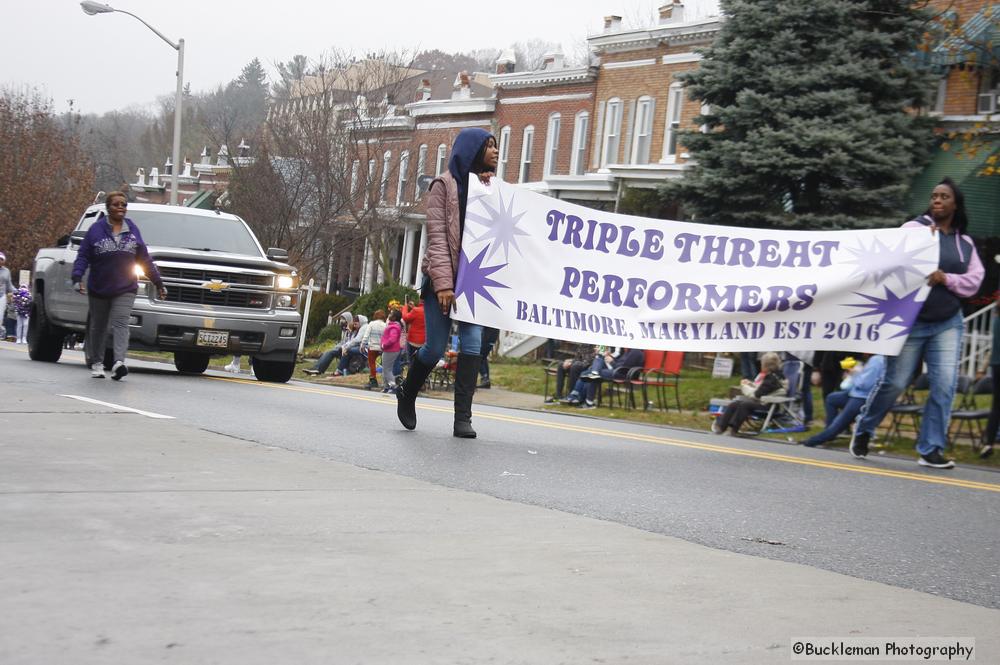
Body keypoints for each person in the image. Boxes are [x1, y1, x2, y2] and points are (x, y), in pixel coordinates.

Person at [849, 178, 984, 469]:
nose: (937, 200)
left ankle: (931, 449)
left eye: (944, 196)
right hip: (910, 322)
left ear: (955, 204)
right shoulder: (913, 230)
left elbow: (974, 281)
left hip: (948, 321)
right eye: (934, 195)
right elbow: (890, 262)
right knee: (895, 382)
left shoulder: (965, 243)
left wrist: (946, 278)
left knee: (944, 386)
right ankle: (864, 428)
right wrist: (919, 244)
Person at [396, 128, 498, 438]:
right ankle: (407, 392)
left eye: (496, 146)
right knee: (435, 348)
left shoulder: (491, 189)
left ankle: (462, 419)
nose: (495, 151)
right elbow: (437, 237)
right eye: (489, 146)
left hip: (474, 282)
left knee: (471, 345)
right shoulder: (443, 186)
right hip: (442, 278)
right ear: (472, 149)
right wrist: (442, 284)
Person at [72, 191, 167, 380]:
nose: (121, 208)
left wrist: (158, 283)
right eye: (116, 204)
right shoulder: (96, 230)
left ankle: (118, 363)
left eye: (124, 205)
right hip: (99, 287)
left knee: (121, 323)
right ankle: (97, 363)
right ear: (108, 208)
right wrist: (77, 277)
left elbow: (144, 259)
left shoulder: (132, 230)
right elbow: (83, 256)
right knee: (99, 327)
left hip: (125, 287)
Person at [802, 355, 884, 448]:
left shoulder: (876, 360)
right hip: (856, 393)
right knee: (832, 398)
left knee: (838, 424)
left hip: (862, 397)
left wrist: (854, 374)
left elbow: (864, 384)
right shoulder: (875, 359)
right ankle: (829, 429)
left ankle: (815, 440)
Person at [712, 351, 784, 435]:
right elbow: (762, 390)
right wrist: (751, 384)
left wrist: (744, 386)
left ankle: (733, 428)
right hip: (764, 402)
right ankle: (721, 426)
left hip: (769, 406)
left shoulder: (772, 379)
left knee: (744, 405)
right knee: (734, 404)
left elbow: (756, 395)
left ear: (765, 366)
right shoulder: (772, 377)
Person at [563, 347, 645, 408]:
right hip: (617, 370)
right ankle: (579, 396)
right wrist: (611, 359)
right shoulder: (630, 351)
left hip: (623, 374)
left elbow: (624, 369)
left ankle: (586, 401)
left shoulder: (636, 352)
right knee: (595, 364)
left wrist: (612, 362)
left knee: (593, 373)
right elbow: (620, 364)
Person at [980, 305, 1000, 459]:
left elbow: (992, 347)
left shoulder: (996, 318)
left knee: (996, 406)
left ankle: (988, 443)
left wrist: (982, 367)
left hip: (996, 364)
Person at [380, 309, 403, 393]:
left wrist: (384, 344)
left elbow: (392, 339)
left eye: (391, 314)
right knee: (385, 369)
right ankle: (386, 386)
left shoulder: (394, 327)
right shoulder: (393, 325)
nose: (389, 315)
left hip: (390, 350)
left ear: (394, 317)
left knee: (387, 369)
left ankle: (393, 386)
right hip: (389, 350)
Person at [363, 309, 387, 390]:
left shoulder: (371, 324)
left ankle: (373, 380)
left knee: (372, 363)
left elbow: (366, 335)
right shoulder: (385, 325)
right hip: (382, 347)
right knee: (385, 364)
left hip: (372, 347)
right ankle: (385, 381)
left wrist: (362, 344)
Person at [401, 299, 425, 366]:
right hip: (424, 342)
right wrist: (413, 308)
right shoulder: (430, 311)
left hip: (413, 341)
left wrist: (405, 307)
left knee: (412, 361)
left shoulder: (416, 310)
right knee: (421, 362)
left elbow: (405, 317)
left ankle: (412, 375)